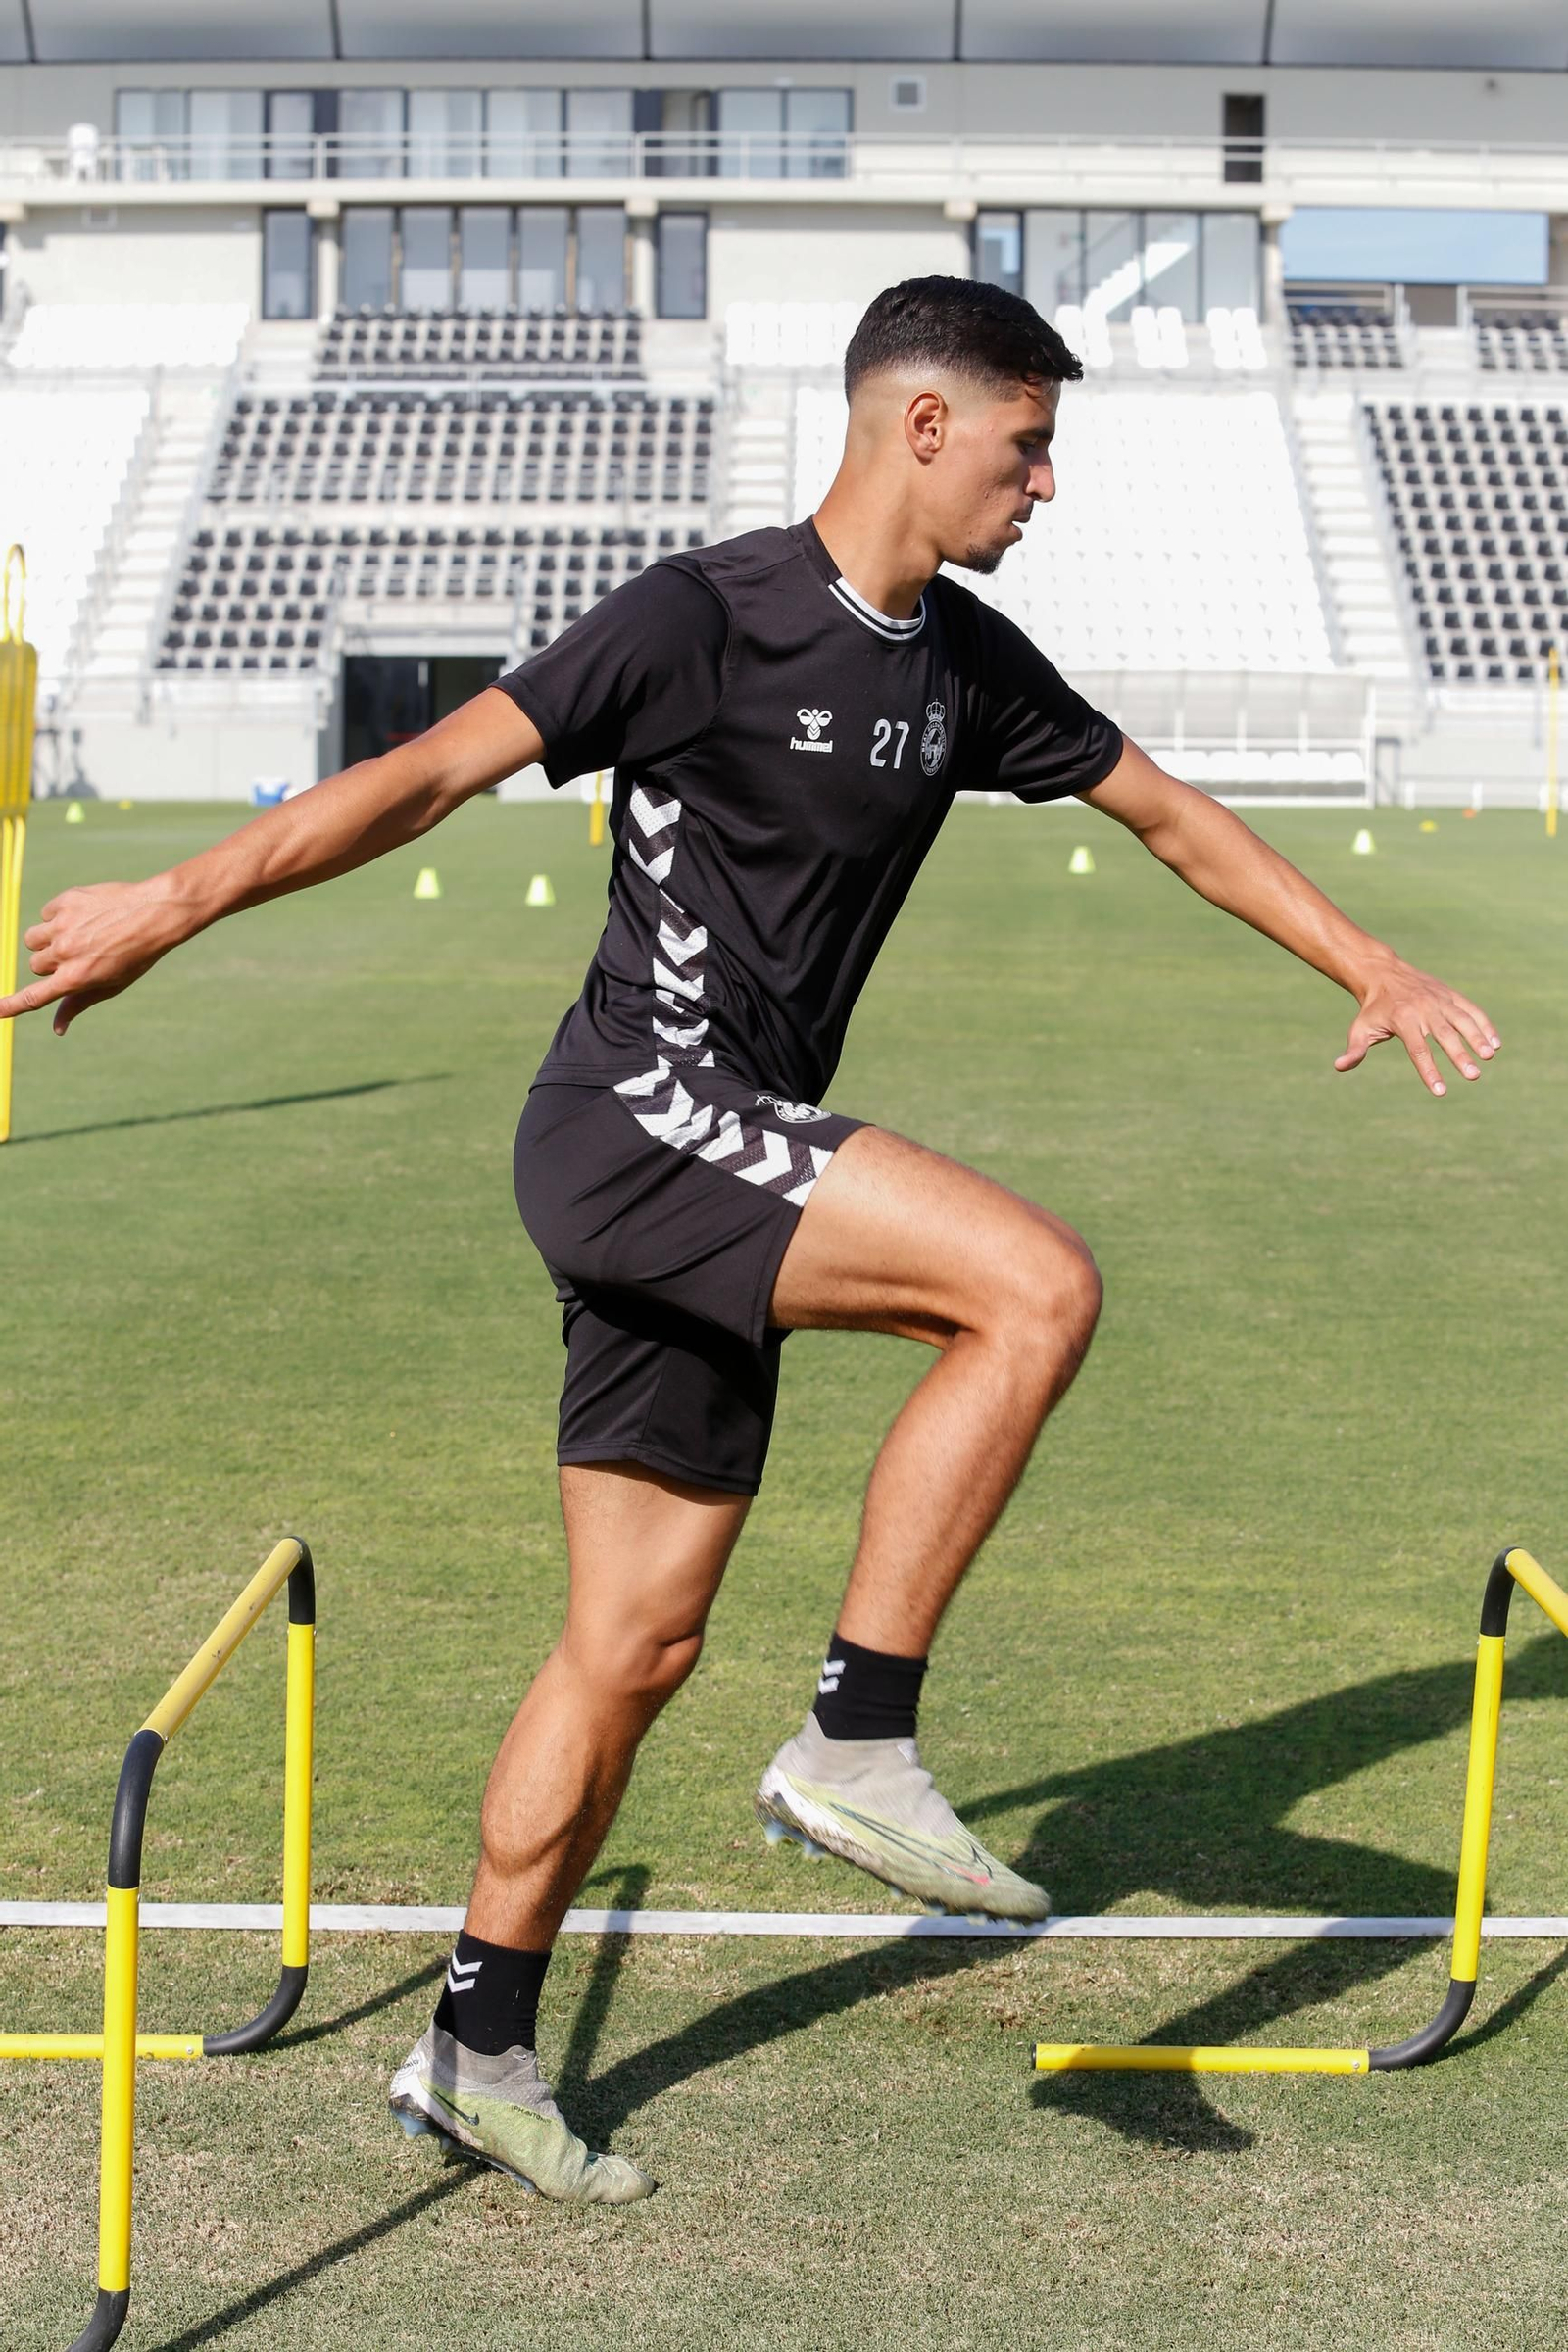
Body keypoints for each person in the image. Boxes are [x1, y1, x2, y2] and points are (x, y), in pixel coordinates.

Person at [1, 277, 1499, 2204]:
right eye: (1027, 446)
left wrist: (1366, 959)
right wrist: (174, 901)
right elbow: (429, 773)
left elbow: (1168, 817)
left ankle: (473, 2044)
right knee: (1031, 1285)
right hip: (638, 1122)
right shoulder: (699, 616)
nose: (1048, 484)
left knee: (631, 1644)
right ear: (924, 427)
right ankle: (855, 1741)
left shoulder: (960, 665)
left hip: (717, 1171)